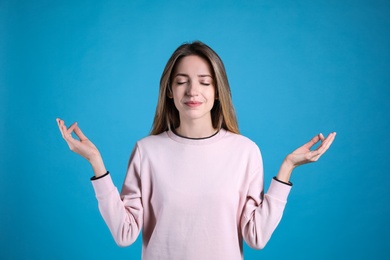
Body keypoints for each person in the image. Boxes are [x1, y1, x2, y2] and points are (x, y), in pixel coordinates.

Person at [56, 41, 336, 260]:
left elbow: (256, 237)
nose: (193, 91)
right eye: (181, 81)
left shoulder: (245, 151)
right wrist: (96, 164)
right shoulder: (146, 151)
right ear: (169, 90)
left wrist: (286, 169)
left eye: (204, 81)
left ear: (217, 91)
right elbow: (124, 233)